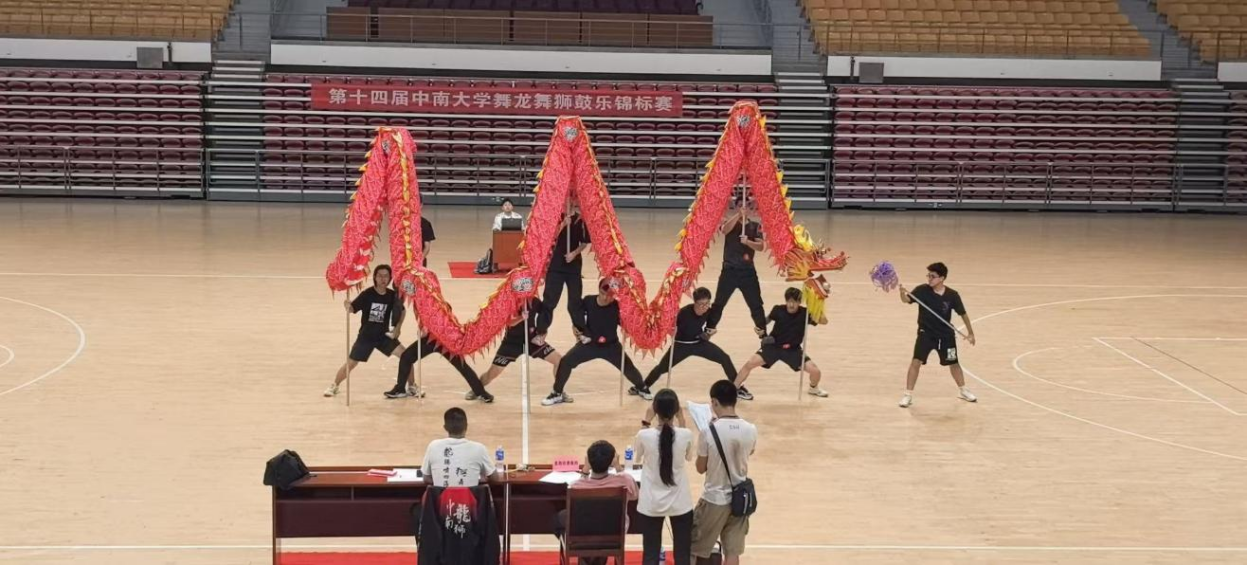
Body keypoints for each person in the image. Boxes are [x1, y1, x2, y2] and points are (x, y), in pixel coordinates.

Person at [544, 278, 653, 406]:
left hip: (611, 346)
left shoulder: (618, 306)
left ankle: (641, 387)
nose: (606, 298)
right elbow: (578, 318)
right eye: (603, 293)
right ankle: (557, 393)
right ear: (599, 290)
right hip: (589, 345)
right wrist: (575, 327)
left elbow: (626, 324)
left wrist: (629, 326)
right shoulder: (588, 301)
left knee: (628, 368)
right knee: (565, 362)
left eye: (610, 296)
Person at [691, 380, 757, 565]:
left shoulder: (708, 431)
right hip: (740, 499)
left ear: (714, 402)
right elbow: (750, 451)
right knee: (732, 552)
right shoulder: (751, 429)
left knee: (695, 549)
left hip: (714, 499)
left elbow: (700, 468)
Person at [898, 262, 978, 408]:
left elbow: (963, 314)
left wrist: (971, 333)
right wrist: (902, 293)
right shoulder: (922, 290)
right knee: (916, 361)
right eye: (928, 275)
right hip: (926, 334)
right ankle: (907, 395)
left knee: (954, 363)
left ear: (942, 278)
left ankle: (963, 390)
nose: (929, 279)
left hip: (946, 336)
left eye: (932, 276)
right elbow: (907, 300)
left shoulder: (952, 295)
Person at [733, 287, 829, 400]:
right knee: (749, 364)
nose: (791, 305)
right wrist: (759, 327)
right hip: (774, 347)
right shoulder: (778, 310)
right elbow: (765, 321)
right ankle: (734, 390)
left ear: (799, 302)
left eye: (795, 302)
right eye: (789, 301)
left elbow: (824, 321)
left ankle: (813, 388)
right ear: (786, 300)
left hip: (793, 350)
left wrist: (816, 306)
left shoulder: (805, 313)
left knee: (815, 371)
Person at [552, 440, 639, 565]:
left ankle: (588, 558)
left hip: (583, 535)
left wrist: (585, 470)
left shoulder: (576, 486)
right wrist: (618, 467)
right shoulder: (624, 482)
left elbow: (579, 482)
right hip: (613, 535)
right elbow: (635, 495)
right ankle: (596, 558)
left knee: (559, 518)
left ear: (588, 460)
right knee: (600, 522)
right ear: (612, 460)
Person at [325, 265, 406, 397]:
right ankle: (334, 386)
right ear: (375, 277)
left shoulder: (392, 296)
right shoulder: (367, 294)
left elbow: (402, 311)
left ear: (390, 278)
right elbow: (352, 309)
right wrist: (347, 305)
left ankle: (412, 386)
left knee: (406, 356)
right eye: (380, 276)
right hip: (366, 336)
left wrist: (398, 328)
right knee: (351, 363)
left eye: (386, 276)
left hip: (384, 336)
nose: (383, 279)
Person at [638, 287, 737, 394]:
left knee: (725, 358)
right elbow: (667, 326)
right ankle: (642, 386)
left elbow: (707, 331)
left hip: (698, 343)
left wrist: (708, 334)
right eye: (701, 304)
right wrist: (671, 329)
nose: (705, 307)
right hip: (681, 345)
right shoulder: (683, 313)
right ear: (695, 302)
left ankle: (737, 386)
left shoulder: (708, 311)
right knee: (662, 368)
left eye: (707, 303)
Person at [635, 389, 694, 565]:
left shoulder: (644, 435)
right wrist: (682, 421)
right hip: (680, 502)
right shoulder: (686, 434)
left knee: (650, 555)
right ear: (676, 410)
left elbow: (636, 458)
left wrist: (646, 421)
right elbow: (689, 457)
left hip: (651, 502)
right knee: (683, 555)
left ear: (655, 410)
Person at [472, 297, 564, 402]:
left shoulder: (534, 301)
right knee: (493, 372)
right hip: (511, 342)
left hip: (531, 340)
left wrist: (543, 334)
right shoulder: (509, 301)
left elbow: (545, 317)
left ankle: (558, 391)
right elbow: (509, 322)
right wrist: (521, 317)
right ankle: (476, 390)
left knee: (559, 361)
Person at [706, 201, 767, 339]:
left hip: (748, 272)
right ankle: (709, 329)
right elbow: (724, 230)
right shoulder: (730, 223)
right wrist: (738, 215)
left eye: (748, 206)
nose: (744, 208)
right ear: (737, 207)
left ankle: (763, 334)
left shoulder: (755, 226)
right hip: (729, 271)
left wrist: (748, 242)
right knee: (719, 303)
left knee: (756, 304)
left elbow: (761, 246)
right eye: (741, 206)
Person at [387, 328, 492, 401]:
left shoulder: (427, 303)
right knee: (406, 357)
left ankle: (480, 392)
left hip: (439, 339)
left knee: (406, 357)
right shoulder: (426, 303)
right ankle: (481, 392)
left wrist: (424, 328)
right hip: (439, 339)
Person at [540, 202, 590, 330]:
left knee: (575, 301)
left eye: (571, 201)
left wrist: (574, 253)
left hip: (573, 267)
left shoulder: (580, 220)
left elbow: (584, 242)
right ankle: (541, 330)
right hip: (555, 266)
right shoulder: (555, 218)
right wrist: (562, 225)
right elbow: (548, 238)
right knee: (550, 300)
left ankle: (580, 330)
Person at [421, 407, 498, 487]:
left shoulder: (433, 446)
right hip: (468, 495)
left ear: (445, 427)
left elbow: (426, 478)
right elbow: (495, 478)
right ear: (466, 426)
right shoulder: (479, 449)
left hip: (442, 495)